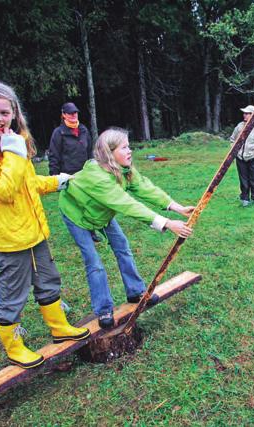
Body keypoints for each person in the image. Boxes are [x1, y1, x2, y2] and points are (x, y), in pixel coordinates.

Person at [0, 81, 90, 369]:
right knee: (13, 293)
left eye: (4, 112)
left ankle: (59, 327)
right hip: (8, 238)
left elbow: (26, 183)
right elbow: (4, 189)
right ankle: (14, 346)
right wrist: (13, 152)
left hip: (33, 230)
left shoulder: (11, 140)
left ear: (14, 113)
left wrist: (58, 181)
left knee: (48, 279)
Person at [58, 127, 194, 329]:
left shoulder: (123, 169)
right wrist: (166, 223)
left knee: (122, 246)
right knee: (94, 262)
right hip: (76, 214)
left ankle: (136, 292)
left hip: (102, 212)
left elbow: (145, 187)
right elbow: (127, 204)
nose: (130, 151)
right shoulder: (97, 178)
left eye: (129, 146)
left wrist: (176, 207)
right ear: (109, 153)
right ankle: (104, 309)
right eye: (124, 147)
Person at [48, 102, 93, 175]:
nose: (74, 115)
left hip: (85, 174)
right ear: (64, 115)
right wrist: (54, 176)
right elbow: (54, 157)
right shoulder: (58, 133)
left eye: (75, 112)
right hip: (68, 176)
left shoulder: (84, 130)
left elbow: (90, 152)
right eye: (70, 113)